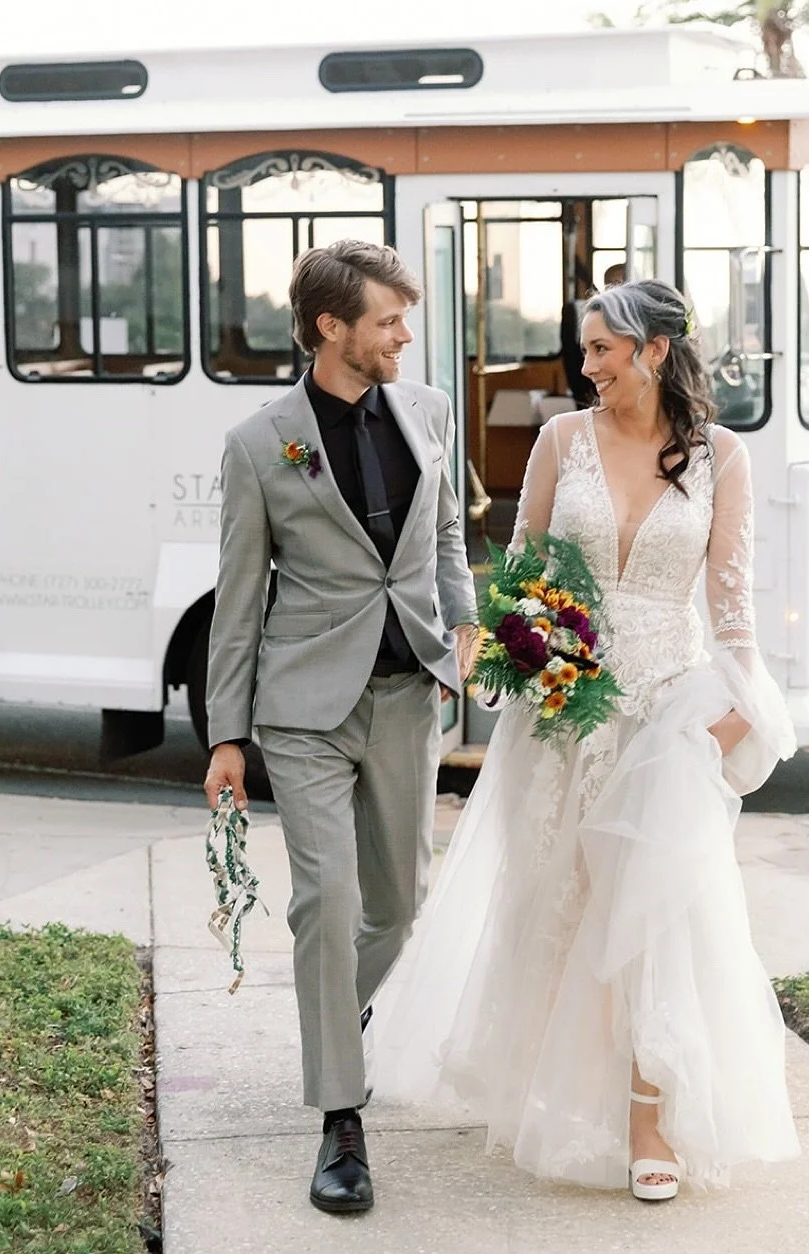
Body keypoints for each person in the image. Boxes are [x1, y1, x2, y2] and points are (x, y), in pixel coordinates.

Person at [373, 278, 799, 1200]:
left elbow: (732, 607)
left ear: (653, 351)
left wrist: (744, 709)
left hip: (666, 713)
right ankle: (551, 1091)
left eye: (603, 348)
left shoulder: (722, 456)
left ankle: (650, 1118)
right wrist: (525, 654)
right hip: (563, 713)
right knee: (556, 901)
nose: (588, 366)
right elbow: (523, 571)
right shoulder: (560, 441)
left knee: (653, 910)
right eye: (587, 349)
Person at [203, 240, 479, 1216]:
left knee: (399, 906)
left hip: (409, 696)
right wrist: (226, 738)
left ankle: (339, 1019)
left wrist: (466, 623)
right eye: (389, 321)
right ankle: (340, 1122)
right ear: (333, 328)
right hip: (306, 708)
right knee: (326, 901)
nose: (406, 335)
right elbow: (238, 600)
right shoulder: (259, 443)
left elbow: (444, 531)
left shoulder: (430, 411)